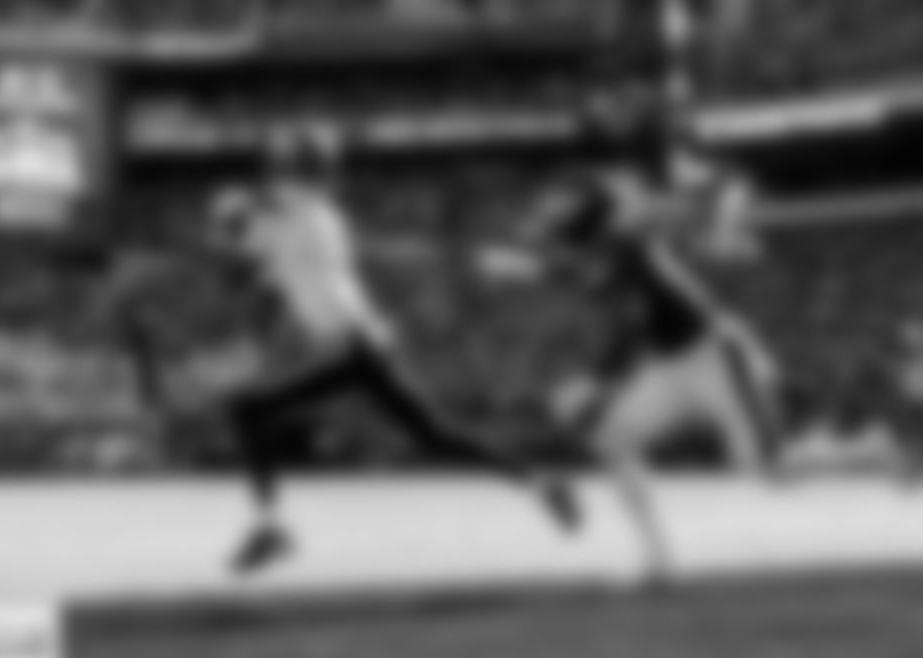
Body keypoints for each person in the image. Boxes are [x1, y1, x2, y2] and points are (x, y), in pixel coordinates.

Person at [175, 125, 580, 573]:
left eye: (288, 165)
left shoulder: (303, 215)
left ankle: (271, 529)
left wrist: (232, 220)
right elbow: (254, 261)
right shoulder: (297, 217)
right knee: (434, 437)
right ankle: (542, 484)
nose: (280, 173)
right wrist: (234, 229)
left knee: (250, 411)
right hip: (357, 344)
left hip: (349, 343)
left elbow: (256, 237)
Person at [495, 145, 782, 583]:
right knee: (611, 437)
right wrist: (534, 267)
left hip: (717, 358)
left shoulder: (620, 243)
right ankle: (659, 560)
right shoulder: (606, 247)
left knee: (762, 469)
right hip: (671, 366)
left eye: (563, 201)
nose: (552, 210)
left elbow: (628, 323)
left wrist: (596, 381)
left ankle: (888, 478)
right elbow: (589, 275)